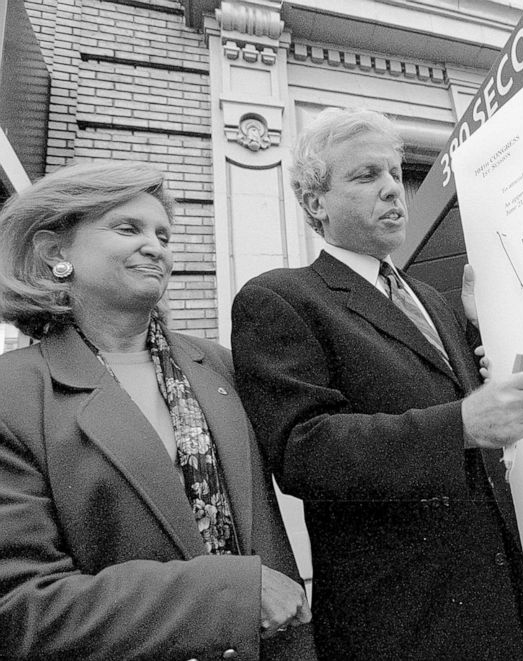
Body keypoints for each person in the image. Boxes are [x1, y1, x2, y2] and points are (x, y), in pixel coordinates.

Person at [230, 108, 523, 660]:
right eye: (366, 177)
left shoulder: (433, 300)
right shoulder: (281, 298)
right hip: (401, 623)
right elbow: (302, 449)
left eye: (393, 172)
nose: (392, 189)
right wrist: (460, 424)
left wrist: (488, 329)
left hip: (502, 601)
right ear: (315, 203)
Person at [0, 162, 317, 661]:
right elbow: (20, 606)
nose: (157, 247)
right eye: (128, 228)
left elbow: (329, 439)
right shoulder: (12, 392)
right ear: (54, 252)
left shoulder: (223, 367)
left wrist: (479, 339)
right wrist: (228, 595)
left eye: (163, 235)